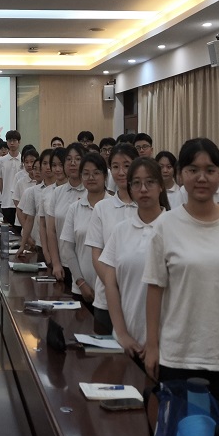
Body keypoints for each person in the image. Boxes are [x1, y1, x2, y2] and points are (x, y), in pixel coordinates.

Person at [144, 138, 219, 416]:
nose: (201, 178)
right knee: (182, 431)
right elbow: (154, 290)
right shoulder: (165, 225)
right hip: (179, 354)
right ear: (179, 175)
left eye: (210, 170)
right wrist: (152, 347)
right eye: (192, 170)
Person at [99, 157, 169, 363]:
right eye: (136, 183)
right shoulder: (121, 230)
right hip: (126, 341)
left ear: (161, 186)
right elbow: (110, 284)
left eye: (150, 182)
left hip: (167, 344)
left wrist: (155, 341)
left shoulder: (175, 227)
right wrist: (121, 333)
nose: (143, 189)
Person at [86, 143, 138, 334]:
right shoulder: (102, 208)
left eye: (127, 165)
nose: (121, 172)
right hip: (106, 300)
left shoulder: (148, 206)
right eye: (115, 166)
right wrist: (113, 287)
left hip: (140, 301)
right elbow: (97, 255)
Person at [59, 153, 108, 311]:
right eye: (86, 173)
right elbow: (68, 248)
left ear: (105, 175)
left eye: (96, 173)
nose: (91, 177)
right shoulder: (75, 208)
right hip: (81, 288)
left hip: (110, 289)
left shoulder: (114, 206)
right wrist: (80, 282)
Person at [44, 144, 86, 285]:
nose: (73, 163)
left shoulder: (91, 192)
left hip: (86, 265)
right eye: (68, 159)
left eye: (78, 159)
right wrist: (56, 263)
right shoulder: (58, 192)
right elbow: (51, 230)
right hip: (63, 264)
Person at [17, 148, 55, 262]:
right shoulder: (34, 191)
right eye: (44, 163)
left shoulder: (62, 190)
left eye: (51, 163)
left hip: (59, 244)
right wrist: (23, 244)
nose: (48, 167)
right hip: (41, 243)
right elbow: (29, 219)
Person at [0, 131, 23, 229]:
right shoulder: (1, 161)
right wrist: (5, 195)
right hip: (7, 202)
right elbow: (0, 181)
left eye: (14, 140)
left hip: (21, 202)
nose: (12, 143)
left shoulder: (23, 160)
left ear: (19, 142)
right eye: (9, 141)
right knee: (11, 230)